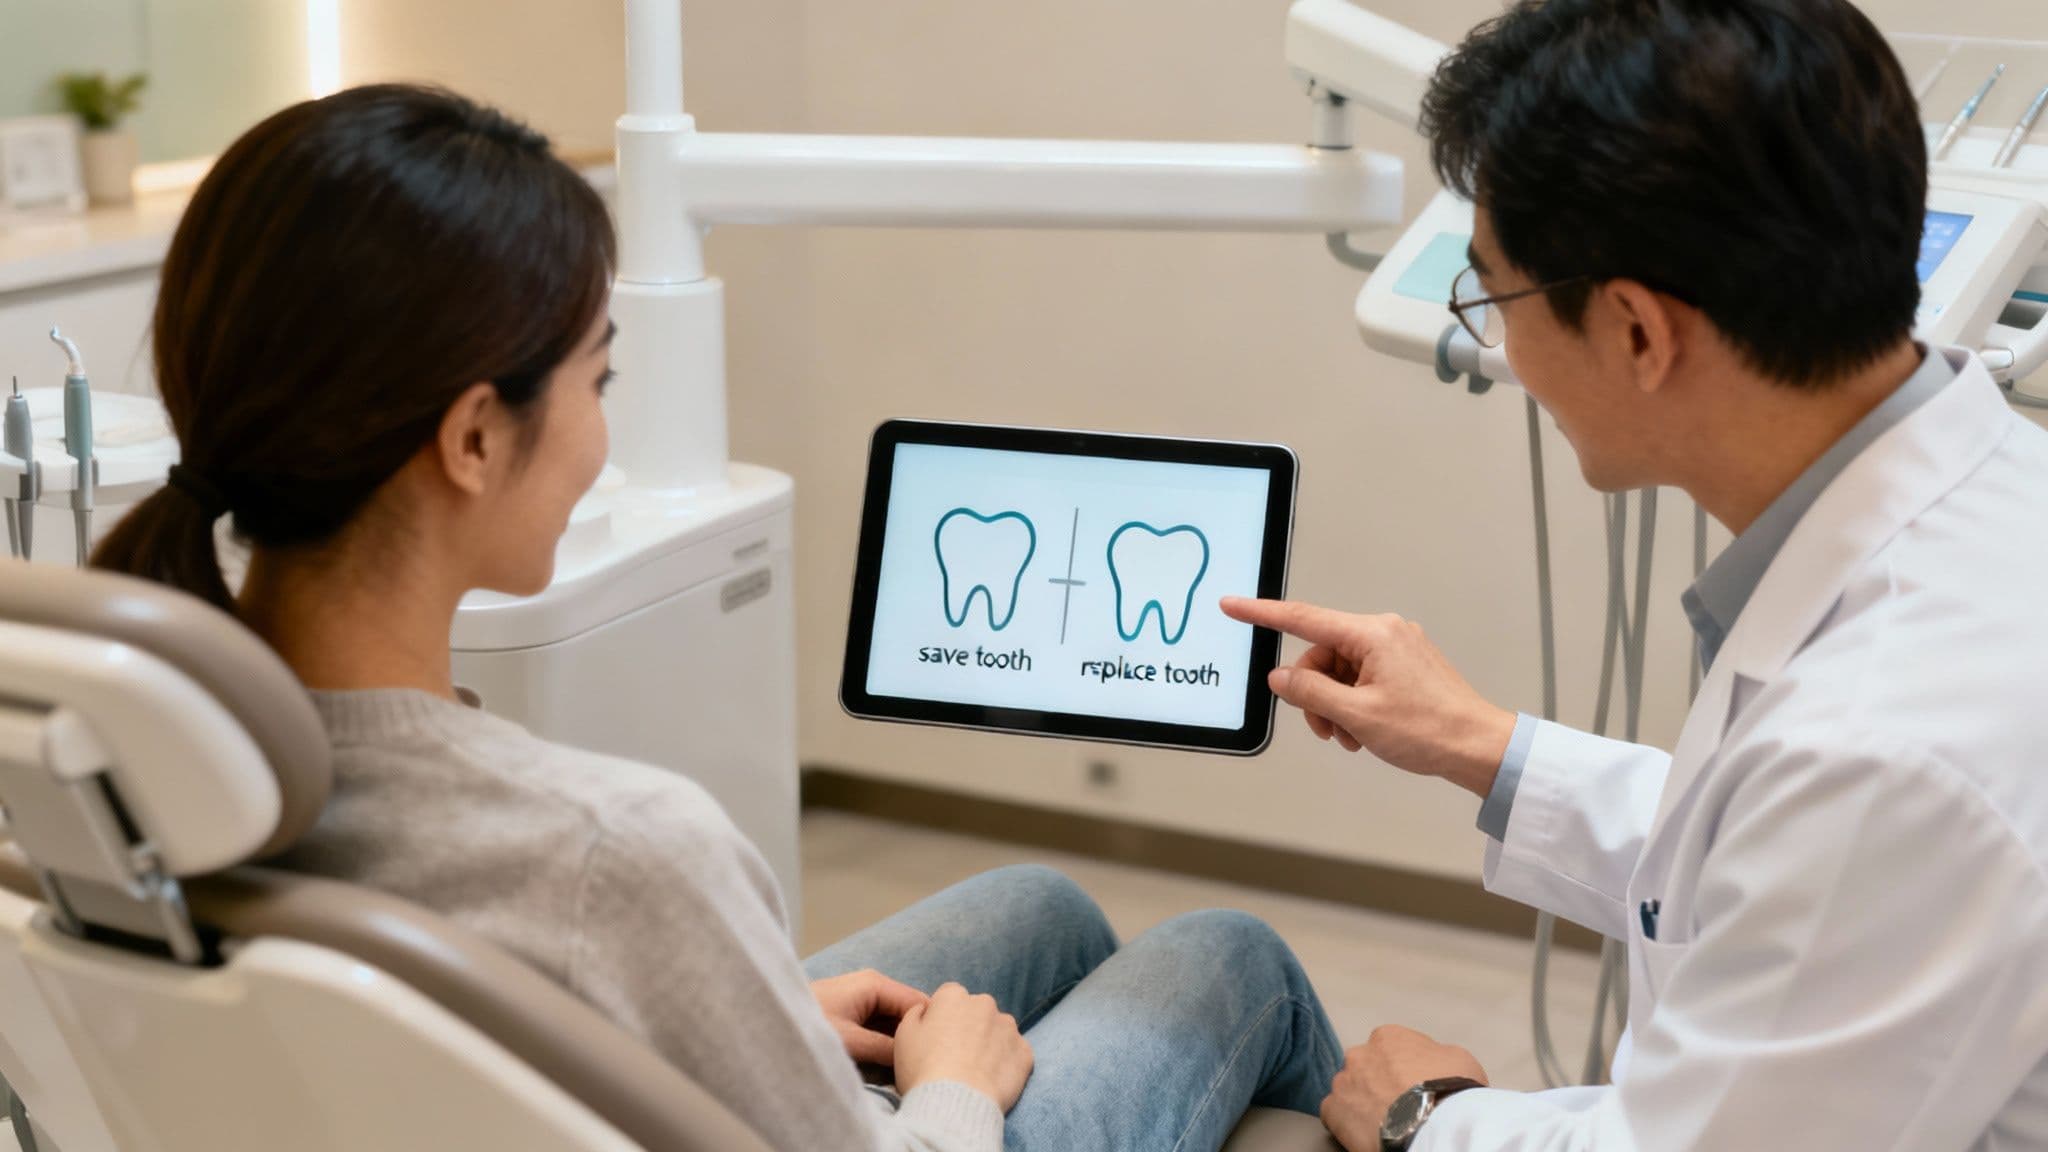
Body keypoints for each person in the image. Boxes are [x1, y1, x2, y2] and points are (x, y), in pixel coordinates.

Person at [91, 84, 1345, 1152]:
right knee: (1226, 955)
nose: (604, 433)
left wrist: (769, 1023)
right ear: (472, 438)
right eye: (599, 378)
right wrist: (952, 1095)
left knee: (1041, 906)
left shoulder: (110, 769)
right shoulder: (612, 852)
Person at [1224, 0, 2048, 1148]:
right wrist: (1481, 744)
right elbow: (1780, 865)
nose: (1502, 348)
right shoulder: (1993, 494)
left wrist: (1428, 1117)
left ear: (1636, 333)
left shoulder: (1882, 743)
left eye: (1494, 297)